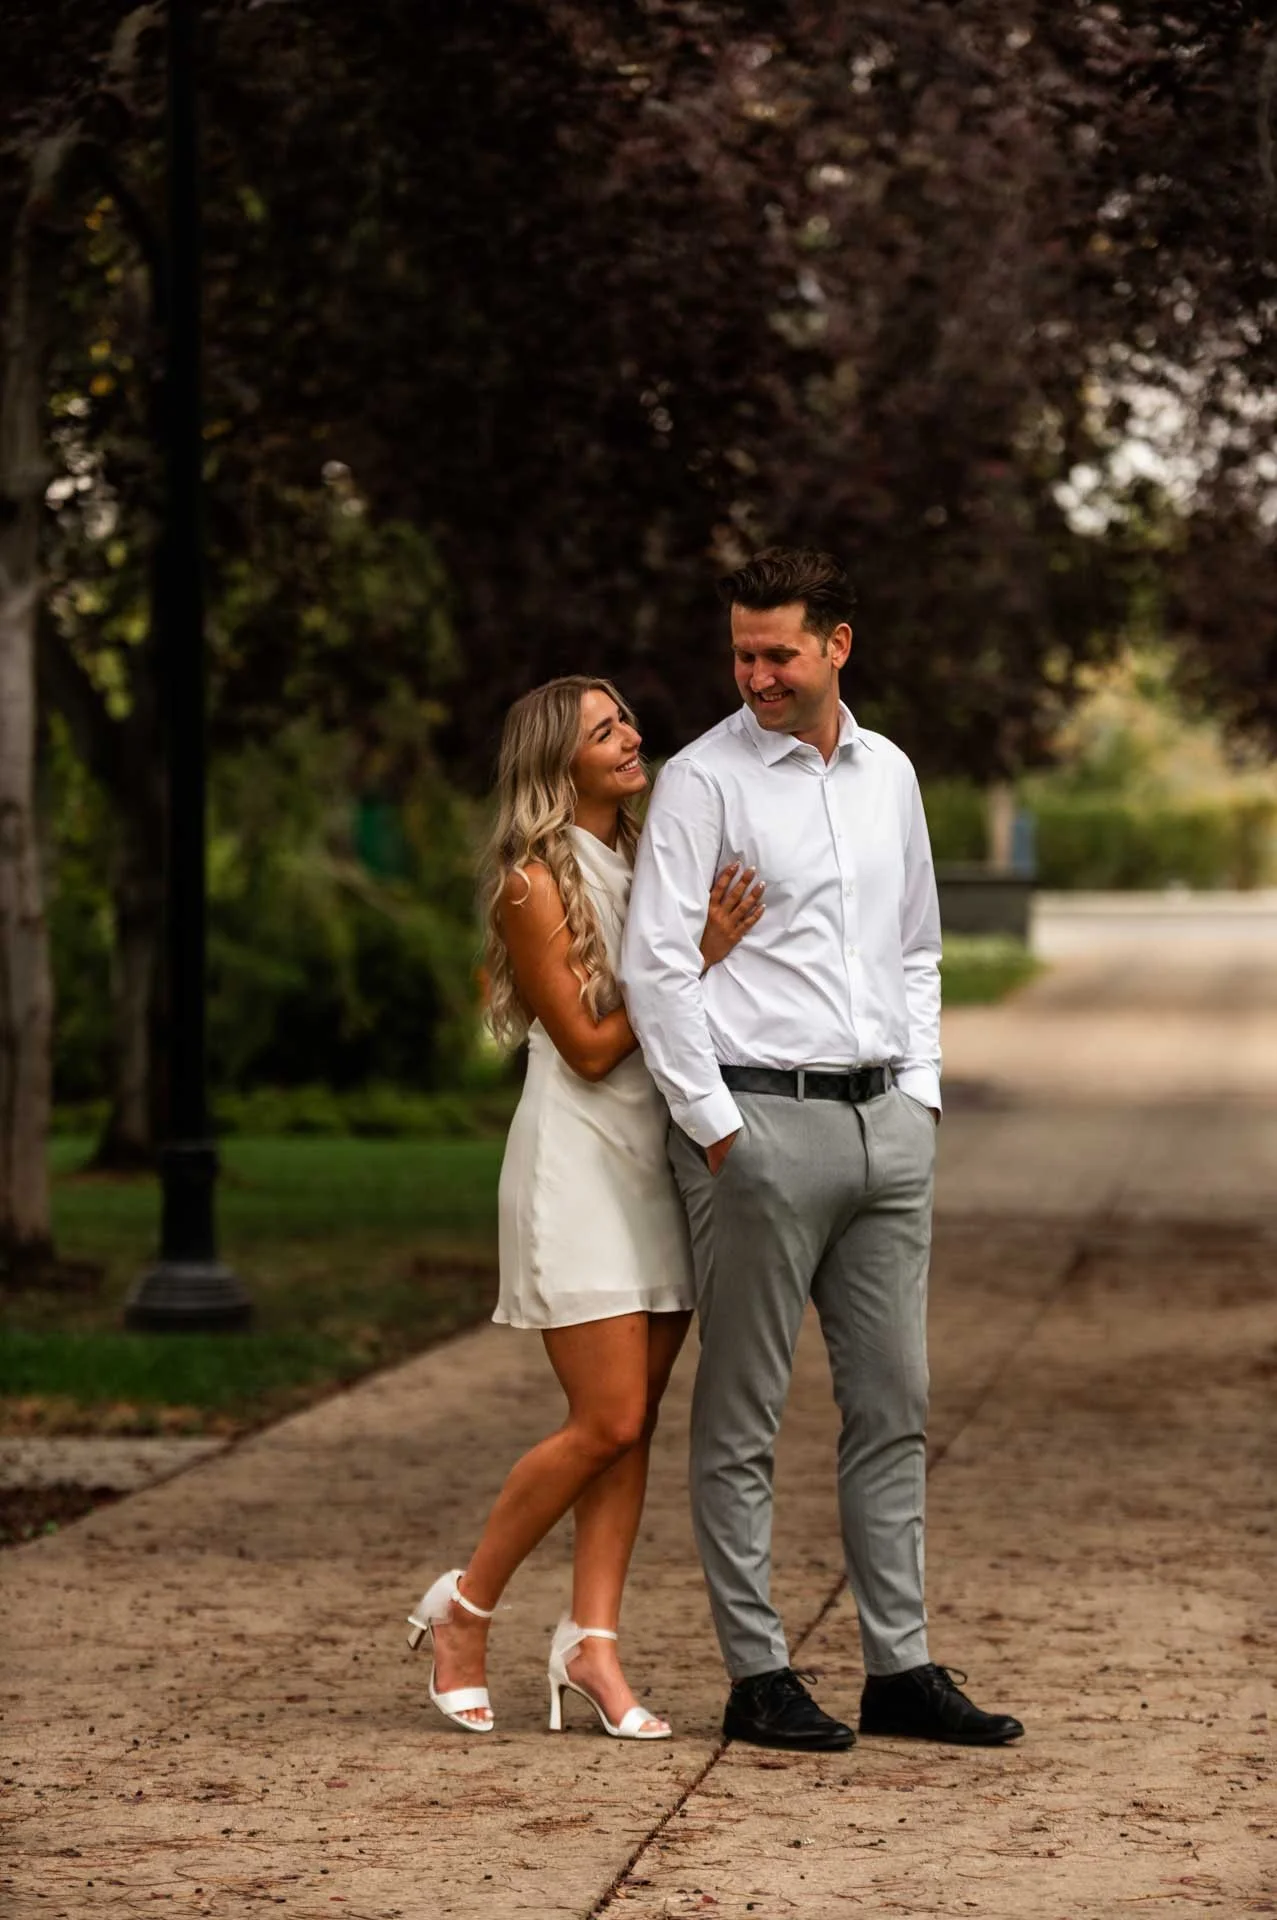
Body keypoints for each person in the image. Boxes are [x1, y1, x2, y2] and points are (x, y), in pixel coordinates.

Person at [620, 547, 1025, 1753]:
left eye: (778, 654)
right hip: (757, 1126)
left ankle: (897, 1669)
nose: (755, 676)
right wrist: (716, 1129)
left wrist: (920, 1094)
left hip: (883, 1127)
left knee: (894, 1403)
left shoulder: (887, 772)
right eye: (741, 654)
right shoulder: (702, 781)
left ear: (836, 645)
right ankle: (756, 1675)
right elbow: (655, 966)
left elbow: (916, 945)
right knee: (741, 1415)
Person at [407, 674, 764, 1739]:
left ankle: (591, 1644)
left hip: (658, 1164)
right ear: (556, 762)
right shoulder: (531, 882)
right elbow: (593, 1048)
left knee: (631, 1426)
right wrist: (697, 954)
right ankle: (464, 1608)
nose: (628, 738)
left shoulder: (650, 858)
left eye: (625, 722)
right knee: (603, 1418)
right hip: (577, 1165)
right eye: (603, 731)